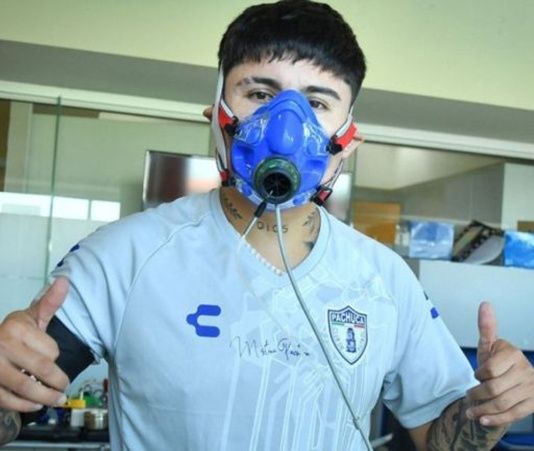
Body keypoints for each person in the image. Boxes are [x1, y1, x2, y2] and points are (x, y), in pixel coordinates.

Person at [1, 1, 533, 449]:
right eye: (259, 94)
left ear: (347, 140)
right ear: (217, 115)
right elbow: (14, 410)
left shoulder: (386, 280)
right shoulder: (122, 257)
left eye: (316, 103)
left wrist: (492, 408)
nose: (285, 128)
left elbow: (442, 439)